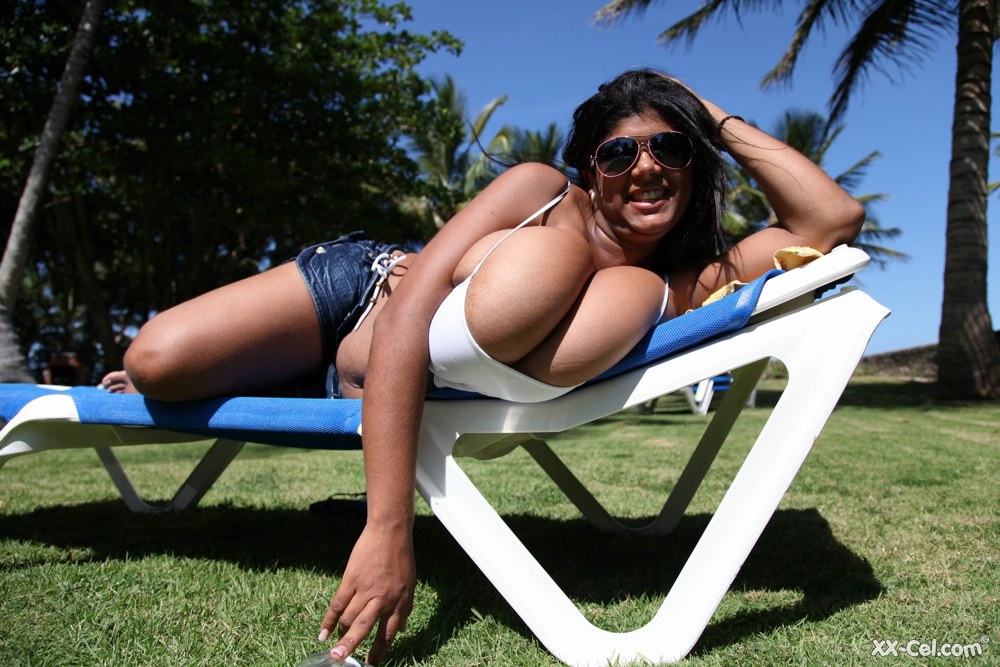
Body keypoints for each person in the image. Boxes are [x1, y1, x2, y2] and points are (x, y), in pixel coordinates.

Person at [102, 69, 864, 664]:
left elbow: (831, 218)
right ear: (590, 167)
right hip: (360, 293)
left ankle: (263, 374)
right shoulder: (542, 193)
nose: (646, 167)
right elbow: (411, 307)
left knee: (181, 367)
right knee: (156, 362)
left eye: (671, 148)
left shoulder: (690, 278)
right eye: (619, 152)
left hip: (350, 375)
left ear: (696, 164)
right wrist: (388, 525)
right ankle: (240, 367)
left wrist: (709, 117)